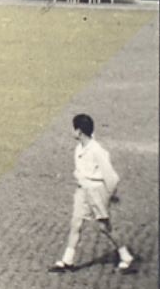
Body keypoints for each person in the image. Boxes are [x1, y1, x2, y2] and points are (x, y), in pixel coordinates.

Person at [49, 113, 136, 273]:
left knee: (104, 227)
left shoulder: (97, 151)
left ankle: (126, 256)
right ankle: (68, 260)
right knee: (76, 223)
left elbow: (111, 177)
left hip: (97, 192)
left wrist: (109, 195)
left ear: (79, 132)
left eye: (74, 129)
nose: (72, 132)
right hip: (82, 190)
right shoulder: (79, 148)